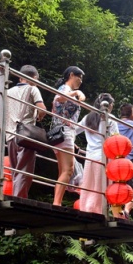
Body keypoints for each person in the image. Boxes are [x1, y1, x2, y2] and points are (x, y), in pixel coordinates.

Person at [0, 65, 45, 198]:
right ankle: (19, 199)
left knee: (16, 171)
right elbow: (42, 109)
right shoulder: (33, 89)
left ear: (21, 77)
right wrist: (39, 115)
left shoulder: (8, 91)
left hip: (10, 136)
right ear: (35, 78)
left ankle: (16, 196)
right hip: (26, 136)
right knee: (25, 171)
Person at [50, 66, 86, 206]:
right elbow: (60, 98)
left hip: (61, 134)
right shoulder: (65, 89)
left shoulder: (66, 90)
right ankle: (57, 203)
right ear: (71, 75)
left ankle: (57, 201)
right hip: (65, 133)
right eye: (79, 77)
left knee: (63, 171)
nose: (81, 81)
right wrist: (77, 92)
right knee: (68, 170)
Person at [78, 93, 118, 214]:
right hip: (104, 157)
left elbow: (74, 130)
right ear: (109, 105)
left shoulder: (88, 118)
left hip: (90, 156)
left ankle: (85, 208)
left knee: (88, 185)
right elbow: (116, 140)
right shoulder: (110, 119)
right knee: (100, 186)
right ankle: (97, 211)